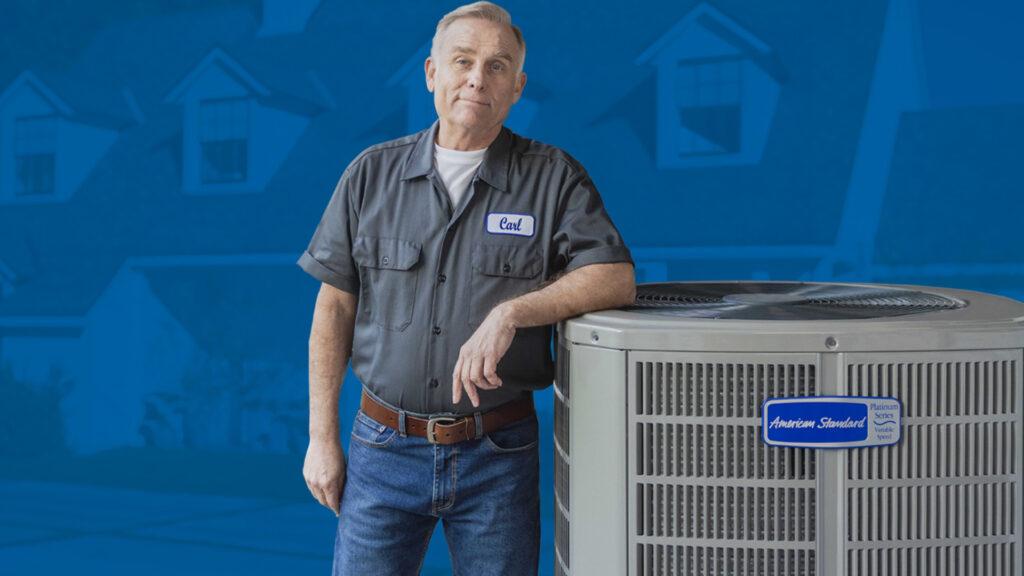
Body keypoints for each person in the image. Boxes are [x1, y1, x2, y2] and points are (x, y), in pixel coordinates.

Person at [297, 2, 635, 574]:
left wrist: (511, 312)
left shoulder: (554, 178)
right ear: (432, 72)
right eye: (463, 61)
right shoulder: (369, 176)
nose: (478, 77)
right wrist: (321, 439)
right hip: (382, 448)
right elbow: (334, 308)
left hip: (497, 455)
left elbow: (614, 277)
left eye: (497, 66)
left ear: (517, 87)